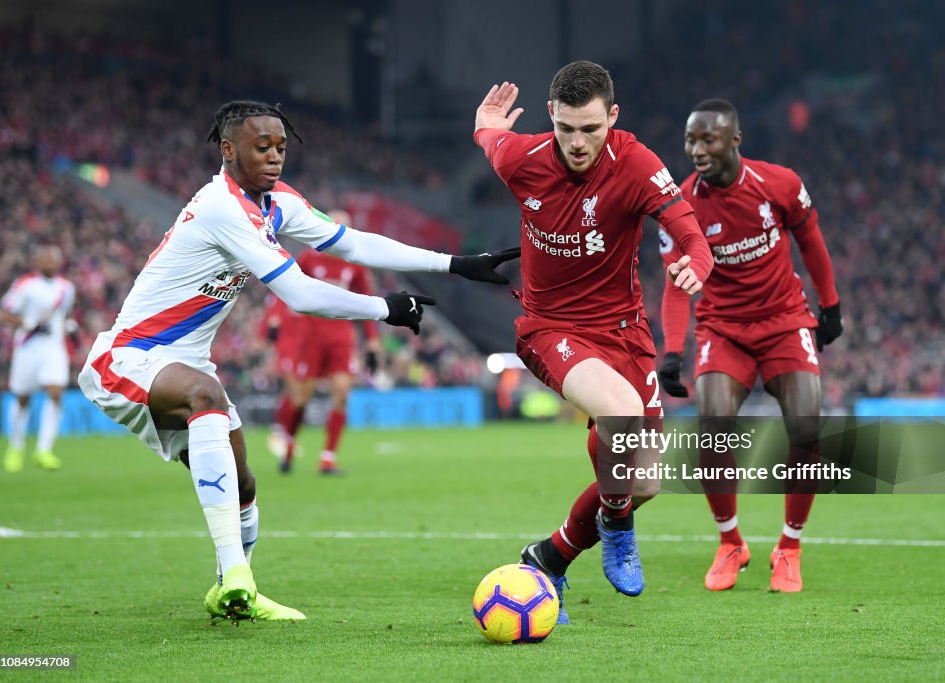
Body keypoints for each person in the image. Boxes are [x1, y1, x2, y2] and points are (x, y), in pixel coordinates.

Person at [77, 100, 519, 623]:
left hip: (185, 361)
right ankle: (237, 575)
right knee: (206, 397)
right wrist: (385, 308)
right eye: (261, 146)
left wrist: (454, 264)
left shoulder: (277, 202)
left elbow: (352, 244)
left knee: (243, 486)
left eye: (281, 147)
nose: (274, 156)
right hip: (129, 356)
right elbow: (300, 294)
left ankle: (232, 591)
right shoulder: (222, 205)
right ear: (227, 149)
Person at [473, 62, 713, 623]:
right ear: (551, 115)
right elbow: (492, 137)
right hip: (550, 329)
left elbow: (687, 228)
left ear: (613, 117)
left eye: (592, 129)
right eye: (567, 129)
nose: (578, 143)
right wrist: (484, 126)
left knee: (647, 479)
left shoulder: (636, 163)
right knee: (622, 413)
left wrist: (697, 262)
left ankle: (550, 555)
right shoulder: (520, 159)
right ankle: (617, 525)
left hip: (625, 333)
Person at [659, 99, 843, 593]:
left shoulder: (780, 184)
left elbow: (812, 243)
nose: (696, 150)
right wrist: (672, 350)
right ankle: (730, 542)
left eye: (707, 140)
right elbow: (677, 284)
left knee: (806, 426)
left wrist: (831, 306)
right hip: (723, 328)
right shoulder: (679, 206)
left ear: (734, 140)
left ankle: (789, 547)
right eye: (690, 140)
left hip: (784, 320)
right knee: (713, 423)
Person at [264, 210, 383, 474]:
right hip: (311, 336)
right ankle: (291, 444)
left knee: (341, 392)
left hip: (341, 337)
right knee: (300, 398)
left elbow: (369, 304)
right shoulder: (308, 259)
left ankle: (328, 458)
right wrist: (274, 319)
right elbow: (282, 288)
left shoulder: (355, 265)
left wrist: (372, 342)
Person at [0, 245, 75, 473]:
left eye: (52, 258)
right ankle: (16, 446)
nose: (49, 261)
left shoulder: (66, 288)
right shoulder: (25, 285)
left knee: (55, 393)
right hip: (28, 347)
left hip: (53, 348)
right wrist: (26, 324)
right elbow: (5, 312)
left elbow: (65, 313)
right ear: (37, 262)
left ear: (59, 262)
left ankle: (44, 449)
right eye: (44, 257)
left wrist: (68, 325)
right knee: (23, 398)